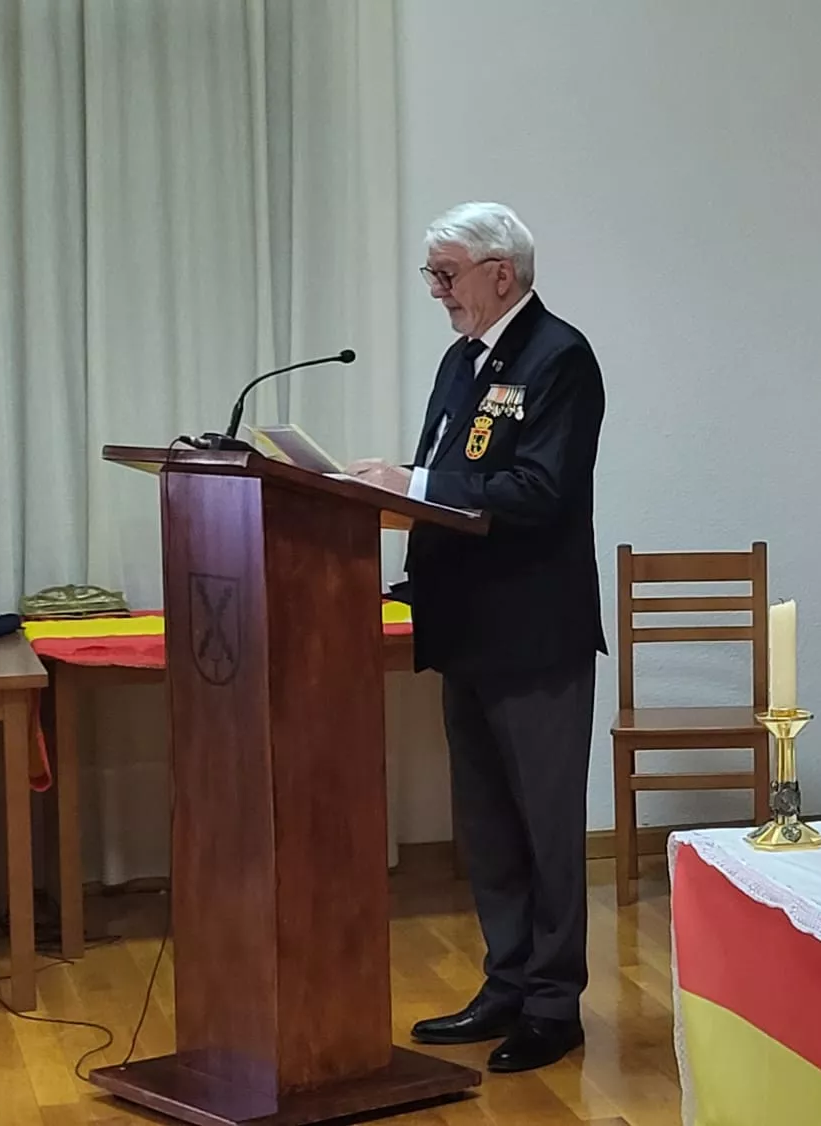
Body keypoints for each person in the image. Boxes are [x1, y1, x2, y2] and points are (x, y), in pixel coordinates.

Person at [348, 201, 604, 1073]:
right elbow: (450, 475)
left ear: (502, 273)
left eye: (445, 273)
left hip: (536, 634)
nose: (435, 291)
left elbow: (539, 490)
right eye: (432, 274)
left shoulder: (560, 357)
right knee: (490, 828)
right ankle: (506, 983)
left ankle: (554, 1004)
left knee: (546, 825)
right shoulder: (464, 360)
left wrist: (410, 480)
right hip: (465, 629)